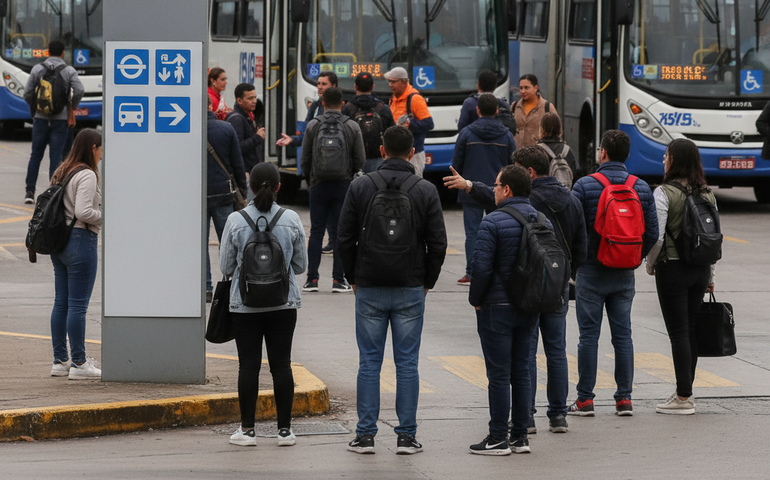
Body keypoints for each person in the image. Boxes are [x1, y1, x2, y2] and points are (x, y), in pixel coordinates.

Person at [338, 126, 447, 455]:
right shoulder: (425, 190)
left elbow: (344, 238)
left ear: (382, 151)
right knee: (407, 364)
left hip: (369, 286)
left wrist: (353, 277)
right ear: (412, 152)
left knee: (369, 363)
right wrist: (427, 281)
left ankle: (365, 436)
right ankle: (406, 437)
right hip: (410, 287)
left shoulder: (361, 186)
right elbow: (438, 243)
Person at [569, 130, 658, 417]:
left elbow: (572, 228)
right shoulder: (641, 187)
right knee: (623, 336)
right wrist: (632, 256)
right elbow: (652, 233)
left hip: (591, 271)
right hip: (624, 273)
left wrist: (580, 261)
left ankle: (585, 400)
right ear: (627, 154)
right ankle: (624, 400)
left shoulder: (584, 185)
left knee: (588, 337)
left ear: (603, 152)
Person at [219, 162, 307, 447]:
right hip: (283, 303)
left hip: (245, 305)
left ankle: (247, 430)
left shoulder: (235, 220)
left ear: (251, 187)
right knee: (282, 365)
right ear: (279, 187)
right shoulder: (291, 218)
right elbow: (300, 265)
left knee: (248, 366)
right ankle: (285, 431)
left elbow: (226, 267)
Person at [468, 164, 543, 455]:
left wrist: (476, 299)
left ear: (507, 189)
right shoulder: (541, 219)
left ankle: (498, 436)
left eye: (496, 185)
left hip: (496, 307)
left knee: (499, 374)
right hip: (529, 305)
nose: (494, 189)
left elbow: (481, 268)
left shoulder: (493, 222)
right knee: (521, 371)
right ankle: (520, 437)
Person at [514, 146, 587, 433]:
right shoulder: (572, 200)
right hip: (559, 284)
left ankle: (527, 416)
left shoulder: (526, 201)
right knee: (556, 350)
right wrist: (567, 273)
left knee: (527, 351)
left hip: (529, 286)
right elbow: (581, 248)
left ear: (530, 172)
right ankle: (558, 416)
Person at [646, 139, 716, 415]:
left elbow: (657, 237)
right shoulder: (708, 194)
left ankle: (684, 397)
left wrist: (650, 263)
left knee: (678, 333)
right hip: (700, 269)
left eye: (667, 156)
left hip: (673, 268)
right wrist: (710, 275)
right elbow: (713, 239)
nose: (664, 160)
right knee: (690, 330)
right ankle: (685, 391)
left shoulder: (663, 192)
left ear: (674, 160)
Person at [48, 128, 102, 380]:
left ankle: (60, 361)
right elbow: (83, 212)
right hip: (81, 240)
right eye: (100, 149)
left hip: (59, 243)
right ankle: (79, 363)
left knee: (61, 303)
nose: (101, 155)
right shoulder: (87, 174)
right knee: (78, 306)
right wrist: (105, 216)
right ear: (93, 148)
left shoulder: (62, 170)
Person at [300, 87, 365, 293]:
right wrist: (349, 175)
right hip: (343, 185)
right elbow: (360, 159)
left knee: (316, 231)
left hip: (318, 184)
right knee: (339, 233)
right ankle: (338, 280)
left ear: (323, 103)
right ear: (342, 104)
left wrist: (311, 180)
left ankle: (312, 279)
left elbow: (305, 159)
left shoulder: (313, 125)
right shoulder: (351, 126)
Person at [452, 93, 515, 286]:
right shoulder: (506, 135)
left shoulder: (466, 133)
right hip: (498, 192)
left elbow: (457, 163)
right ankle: (496, 269)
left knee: (473, 233)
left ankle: (471, 272)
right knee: (498, 232)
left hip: (470, 189)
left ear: (477, 110)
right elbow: (512, 165)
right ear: (497, 111)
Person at [277, 70, 338, 254]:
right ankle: (328, 242)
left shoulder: (342, 107)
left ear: (333, 86)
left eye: (324, 84)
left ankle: (335, 241)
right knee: (320, 208)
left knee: (335, 207)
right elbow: (307, 134)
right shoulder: (316, 105)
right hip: (317, 164)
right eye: (318, 83)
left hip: (335, 164)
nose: (319, 87)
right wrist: (292, 140)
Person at [23, 40, 85, 204]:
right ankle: (53, 193)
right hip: (60, 120)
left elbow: (27, 93)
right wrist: (71, 106)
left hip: (40, 119)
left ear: (48, 51)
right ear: (63, 53)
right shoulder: (68, 70)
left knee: (36, 155)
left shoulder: (37, 69)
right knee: (56, 157)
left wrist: (35, 108)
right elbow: (79, 89)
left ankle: (30, 192)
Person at [206, 97, 248, 302]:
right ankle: (231, 284)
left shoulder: (188, 131)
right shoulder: (226, 128)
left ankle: (205, 287)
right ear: (210, 106)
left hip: (196, 197)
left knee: (199, 245)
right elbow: (237, 163)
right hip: (223, 193)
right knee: (229, 242)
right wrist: (242, 190)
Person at [384, 67, 434, 177]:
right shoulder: (393, 98)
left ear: (404, 82)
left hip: (413, 153)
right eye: (389, 82)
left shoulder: (415, 99)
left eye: (394, 82)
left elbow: (429, 124)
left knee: (413, 183)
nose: (390, 85)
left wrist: (410, 124)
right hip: (396, 152)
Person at [341, 71, 395, 173]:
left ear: (355, 87)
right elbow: (392, 134)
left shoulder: (347, 109)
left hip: (354, 159)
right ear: (373, 87)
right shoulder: (383, 108)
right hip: (378, 157)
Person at [226, 83, 266, 200]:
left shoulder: (248, 116)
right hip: (245, 175)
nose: (254, 101)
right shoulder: (237, 119)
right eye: (250, 98)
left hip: (250, 173)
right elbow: (238, 147)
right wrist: (257, 137)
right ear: (239, 100)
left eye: (255, 97)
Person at [512, 74, 558, 148]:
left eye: (526, 88)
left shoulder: (547, 107)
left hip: (539, 152)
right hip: (519, 152)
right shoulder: (515, 106)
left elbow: (557, 132)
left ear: (535, 88)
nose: (523, 91)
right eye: (521, 88)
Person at [538, 112, 577, 177]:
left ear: (542, 129)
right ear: (559, 128)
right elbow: (574, 174)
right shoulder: (568, 151)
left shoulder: (537, 151)